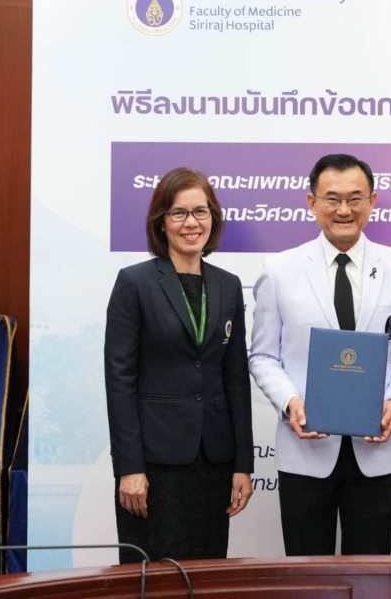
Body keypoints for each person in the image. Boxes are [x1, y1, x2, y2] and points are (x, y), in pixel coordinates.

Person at [249, 154, 391, 556]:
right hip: (305, 451)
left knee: (371, 573)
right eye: (332, 199)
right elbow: (262, 356)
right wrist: (290, 401)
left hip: (378, 450)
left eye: (354, 198)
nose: (344, 210)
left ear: (372, 201)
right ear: (311, 202)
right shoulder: (279, 270)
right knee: (307, 577)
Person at [104, 167, 254, 563]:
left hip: (214, 462)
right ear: (162, 221)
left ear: (212, 218)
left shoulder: (228, 285)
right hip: (154, 465)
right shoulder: (134, 283)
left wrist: (243, 464)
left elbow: (236, 378)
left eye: (201, 211)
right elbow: (119, 380)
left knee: (206, 574)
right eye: (179, 213)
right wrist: (129, 468)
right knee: (153, 579)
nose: (192, 223)